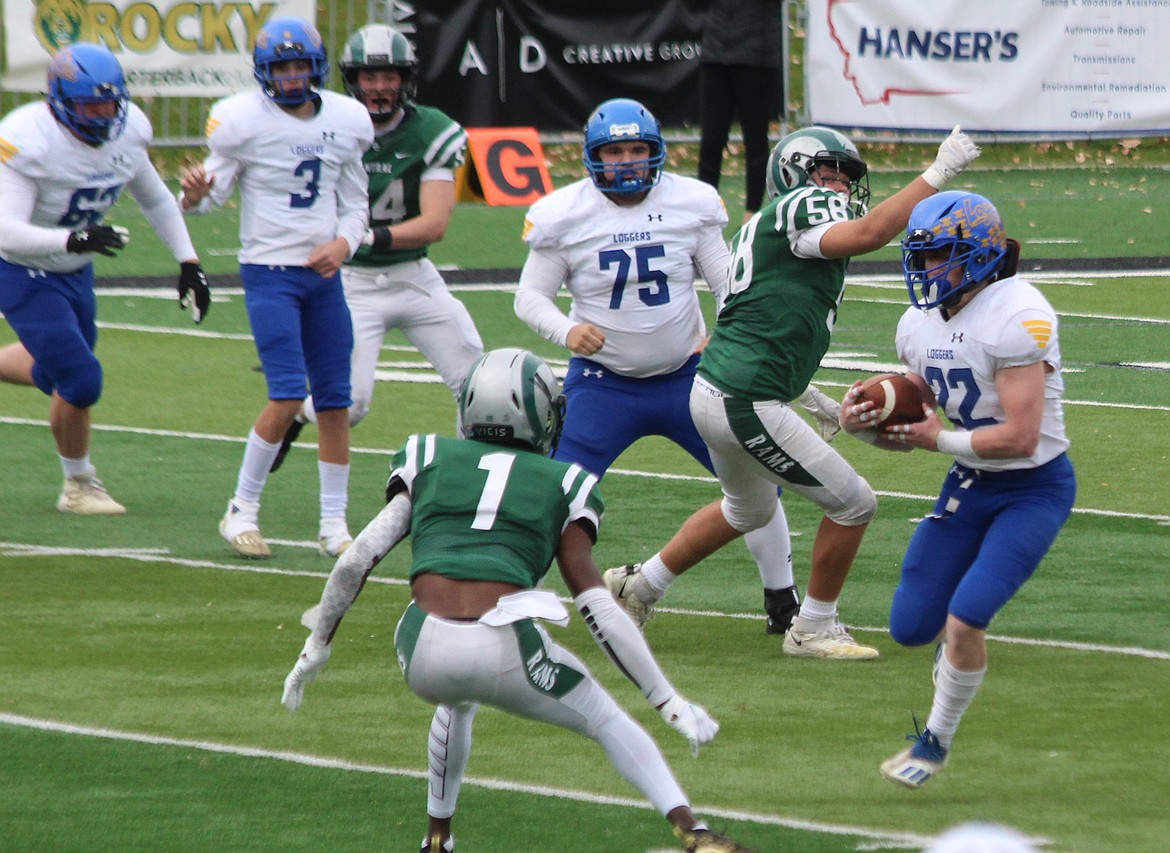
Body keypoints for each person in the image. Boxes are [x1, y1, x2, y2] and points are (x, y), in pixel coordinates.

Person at [281, 348, 756, 853]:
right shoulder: (566, 481)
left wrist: (317, 645)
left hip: (420, 650)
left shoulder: (426, 455)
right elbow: (595, 604)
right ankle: (693, 830)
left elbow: (358, 560)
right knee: (605, 718)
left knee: (454, 698)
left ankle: (437, 839)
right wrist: (666, 699)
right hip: (500, 647)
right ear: (543, 416)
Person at [607, 125, 981, 660]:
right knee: (854, 504)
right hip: (741, 397)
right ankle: (813, 627)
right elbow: (872, 233)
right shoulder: (800, 207)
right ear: (794, 175)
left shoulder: (769, 228)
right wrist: (939, 173)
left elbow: (763, 326)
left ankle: (638, 586)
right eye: (826, 172)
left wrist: (813, 399)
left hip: (719, 388)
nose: (837, 185)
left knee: (746, 511)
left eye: (845, 177)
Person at [515, 97, 841, 638]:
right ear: (594, 156)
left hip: (688, 377)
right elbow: (529, 296)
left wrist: (731, 331)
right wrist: (566, 330)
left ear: (655, 151)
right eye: (614, 151)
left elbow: (729, 284)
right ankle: (516, 603)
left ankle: (782, 601)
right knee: (556, 495)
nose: (625, 161)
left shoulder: (690, 204)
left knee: (760, 483)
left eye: (636, 149)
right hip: (602, 384)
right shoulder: (564, 215)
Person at [835, 192, 1075, 787]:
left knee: (966, 620)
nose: (926, 268)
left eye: (941, 253)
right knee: (912, 627)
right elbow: (923, 402)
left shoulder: (1018, 312)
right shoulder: (918, 322)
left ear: (980, 254)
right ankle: (950, 655)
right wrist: (867, 420)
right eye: (921, 255)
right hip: (971, 479)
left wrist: (937, 440)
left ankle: (934, 742)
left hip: (1033, 488)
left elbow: (1019, 437)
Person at [179, 17, 373, 558]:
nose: (291, 77)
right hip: (269, 274)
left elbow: (357, 203)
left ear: (316, 68)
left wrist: (344, 245)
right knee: (288, 394)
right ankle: (241, 510)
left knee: (336, 400)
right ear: (265, 72)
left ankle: (333, 525)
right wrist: (193, 194)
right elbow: (209, 197)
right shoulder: (243, 122)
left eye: (299, 66)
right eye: (281, 67)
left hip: (324, 276)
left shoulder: (346, 119)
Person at [0, 43, 210, 515]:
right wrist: (73, 240)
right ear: (59, 101)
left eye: (109, 103)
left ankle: (77, 480)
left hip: (74, 272)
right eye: (89, 104)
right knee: (81, 378)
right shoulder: (27, 138)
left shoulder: (128, 129)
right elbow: (6, 231)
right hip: (19, 270)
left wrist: (189, 261)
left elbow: (155, 198)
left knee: (62, 374)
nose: (101, 114)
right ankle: (78, 484)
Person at [272, 23, 483, 471]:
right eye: (370, 78)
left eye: (390, 77)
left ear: (406, 81)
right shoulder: (329, 127)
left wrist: (361, 236)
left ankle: (471, 475)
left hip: (413, 279)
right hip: (353, 285)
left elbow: (435, 224)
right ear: (353, 80)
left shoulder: (431, 130)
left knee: (477, 384)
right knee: (352, 405)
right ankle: (296, 416)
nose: (380, 87)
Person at [696, 0, 783, 224]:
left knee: (755, 138)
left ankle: (751, 213)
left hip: (757, 59)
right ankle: (704, 210)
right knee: (711, 140)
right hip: (715, 56)